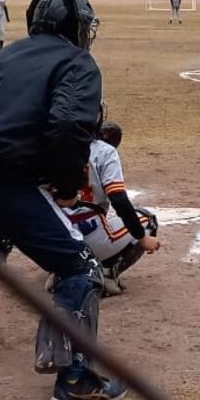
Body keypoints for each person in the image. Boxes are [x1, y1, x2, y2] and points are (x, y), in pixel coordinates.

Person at [0, 0, 126, 400]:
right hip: (10, 177)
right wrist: (63, 181)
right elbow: (66, 126)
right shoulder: (78, 62)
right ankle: (75, 378)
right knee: (80, 265)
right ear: (72, 26)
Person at [61, 121, 161, 295]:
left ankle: (61, 272)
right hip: (88, 231)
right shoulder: (104, 151)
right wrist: (142, 238)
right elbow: (119, 200)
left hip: (52, 235)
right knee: (148, 220)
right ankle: (106, 274)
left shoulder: (50, 144)